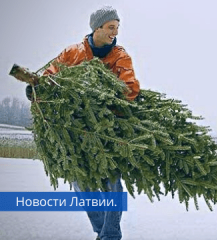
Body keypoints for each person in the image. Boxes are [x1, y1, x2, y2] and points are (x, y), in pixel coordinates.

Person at [26, 6, 140, 240]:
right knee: (81, 184)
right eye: (110, 27)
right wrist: (35, 88)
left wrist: (103, 103)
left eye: (117, 28)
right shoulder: (72, 53)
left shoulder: (120, 56)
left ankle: (110, 235)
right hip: (75, 132)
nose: (114, 32)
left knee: (112, 185)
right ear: (96, 28)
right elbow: (50, 76)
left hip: (109, 131)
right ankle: (101, 230)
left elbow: (130, 88)